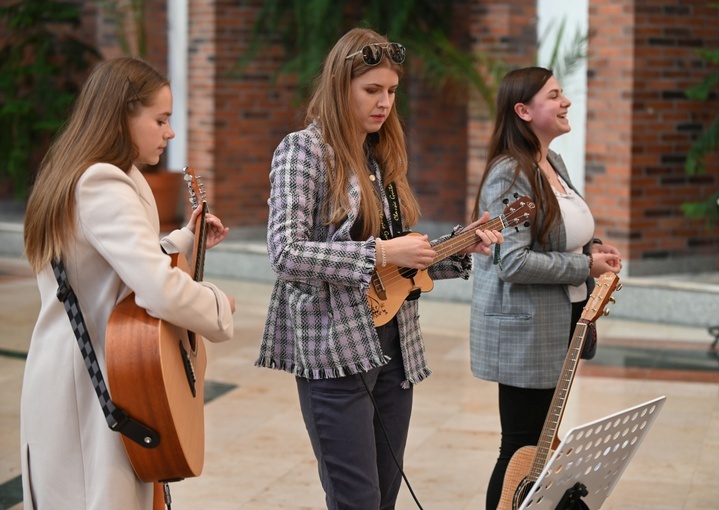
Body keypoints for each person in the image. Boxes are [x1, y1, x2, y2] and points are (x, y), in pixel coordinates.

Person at [255, 28, 503, 509]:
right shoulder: (303, 151)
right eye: (372, 90)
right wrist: (384, 253)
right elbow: (284, 252)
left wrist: (460, 247)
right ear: (339, 86)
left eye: (391, 91)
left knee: (384, 497)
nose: (384, 102)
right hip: (333, 348)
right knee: (357, 500)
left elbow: (396, 266)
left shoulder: (379, 155)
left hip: (394, 348)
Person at [20, 56, 236, 509]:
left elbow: (111, 267)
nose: (169, 132)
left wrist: (184, 240)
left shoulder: (80, 173)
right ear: (122, 115)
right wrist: (216, 305)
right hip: (96, 378)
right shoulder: (103, 182)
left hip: (88, 369)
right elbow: (154, 289)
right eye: (160, 119)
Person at [468, 67, 622, 509]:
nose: (566, 101)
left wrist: (592, 249)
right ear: (523, 111)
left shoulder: (552, 162)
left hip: (561, 321)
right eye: (554, 95)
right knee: (519, 445)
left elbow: (554, 234)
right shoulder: (508, 173)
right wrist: (582, 265)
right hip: (525, 331)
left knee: (540, 441)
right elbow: (511, 260)